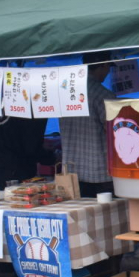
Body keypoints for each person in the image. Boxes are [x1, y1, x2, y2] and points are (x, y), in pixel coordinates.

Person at [60, 52, 116, 198]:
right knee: (105, 216)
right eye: (108, 67)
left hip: (71, 171)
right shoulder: (103, 95)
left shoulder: (64, 93)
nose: (108, 72)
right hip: (100, 173)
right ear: (103, 65)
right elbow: (114, 131)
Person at [0, 115, 54, 189]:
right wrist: (51, 158)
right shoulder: (34, 114)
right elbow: (31, 147)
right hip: (15, 170)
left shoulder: (5, 109)